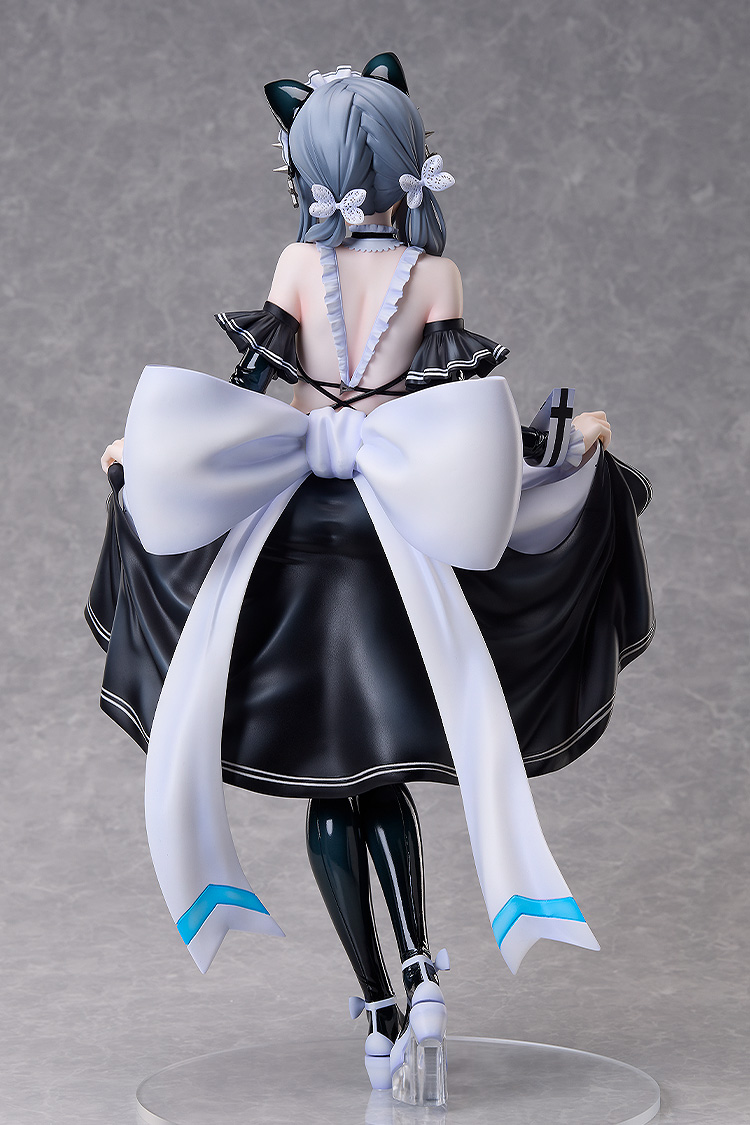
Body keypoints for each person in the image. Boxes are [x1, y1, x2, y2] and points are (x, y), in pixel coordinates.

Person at [90, 54, 653, 1105]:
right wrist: (555, 446)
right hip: (394, 537)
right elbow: (457, 405)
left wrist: (155, 454)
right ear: (408, 166)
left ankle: (381, 1008)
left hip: (303, 534)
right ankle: (424, 976)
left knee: (331, 784)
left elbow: (249, 388)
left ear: (306, 170)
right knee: (379, 772)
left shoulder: (297, 266)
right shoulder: (435, 276)